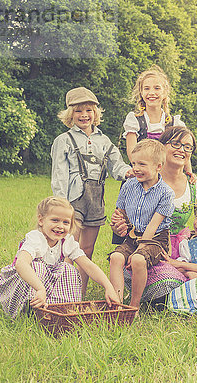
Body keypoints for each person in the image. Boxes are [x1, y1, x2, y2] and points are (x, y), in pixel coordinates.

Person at [111, 126, 197, 305]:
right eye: (176, 143)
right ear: (162, 147)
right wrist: (119, 227)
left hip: (176, 247)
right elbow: (121, 220)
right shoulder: (136, 183)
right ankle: (125, 301)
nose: (182, 149)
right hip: (139, 242)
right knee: (158, 284)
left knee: (176, 285)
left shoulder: (195, 187)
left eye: (188, 147)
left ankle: (175, 283)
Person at [51, 87, 132, 297]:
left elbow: (118, 166)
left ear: (96, 113)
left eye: (88, 110)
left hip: (96, 199)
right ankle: (61, 293)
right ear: (70, 114)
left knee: (86, 250)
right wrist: (61, 205)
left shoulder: (104, 141)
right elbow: (59, 175)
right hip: (73, 200)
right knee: (69, 249)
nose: (84, 115)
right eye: (78, 111)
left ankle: (80, 293)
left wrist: (129, 172)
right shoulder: (64, 140)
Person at [0, 196, 120, 319]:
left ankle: (61, 308)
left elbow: (88, 265)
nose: (60, 226)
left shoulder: (66, 241)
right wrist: (40, 289)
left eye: (66, 222)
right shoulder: (36, 239)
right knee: (38, 267)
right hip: (21, 285)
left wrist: (108, 287)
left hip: (45, 286)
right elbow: (21, 264)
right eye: (55, 220)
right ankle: (29, 310)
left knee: (68, 269)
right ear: (41, 220)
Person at [108, 139, 175, 310]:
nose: (136, 168)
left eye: (142, 164)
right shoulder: (129, 185)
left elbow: (153, 226)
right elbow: (119, 213)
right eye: (134, 163)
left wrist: (138, 250)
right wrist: (116, 222)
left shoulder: (165, 193)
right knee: (116, 257)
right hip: (133, 235)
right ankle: (116, 303)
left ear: (158, 166)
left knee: (138, 260)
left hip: (155, 239)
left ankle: (134, 306)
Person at [122, 65, 194, 178]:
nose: (151, 93)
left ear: (165, 92)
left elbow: (183, 150)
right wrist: (141, 171)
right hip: (141, 175)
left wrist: (189, 173)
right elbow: (132, 152)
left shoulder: (174, 123)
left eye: (157, 88)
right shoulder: (135, 120)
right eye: (146, 88)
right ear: (141, 92)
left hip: (166, 176)